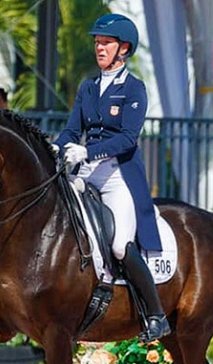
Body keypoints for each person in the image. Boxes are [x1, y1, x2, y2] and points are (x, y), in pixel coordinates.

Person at [53, 13, 170, 343]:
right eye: (97, 43)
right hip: (88, 173)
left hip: (119, 176)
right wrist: (56, 146)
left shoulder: (135, 89)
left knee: (120, 244)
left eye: (106, 43)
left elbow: (128, 138)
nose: (99, 48)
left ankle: (156, 315)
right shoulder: (88, 88)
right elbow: (72, 130)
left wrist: (86, 152)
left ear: (124, 49)